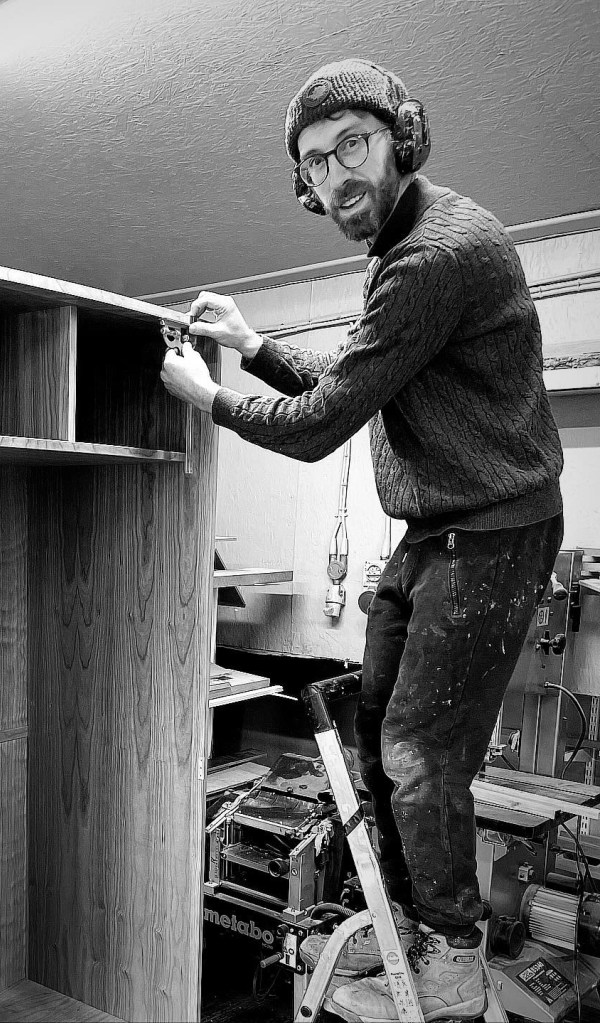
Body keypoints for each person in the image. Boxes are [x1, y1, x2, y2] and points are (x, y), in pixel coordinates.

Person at [161, 59, 564, 1022]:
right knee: (381, 728)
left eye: (354, 146)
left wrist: (212, 398)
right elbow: (350, 378)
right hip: (441, 530)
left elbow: (317, 425)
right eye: (315, 162)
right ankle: (418, 936)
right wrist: (255, 344)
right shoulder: (401, 248)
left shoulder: (431, 254)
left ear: (399, 139)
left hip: (492, 533)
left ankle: (454, 964)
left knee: (421, 754)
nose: (336, 177)